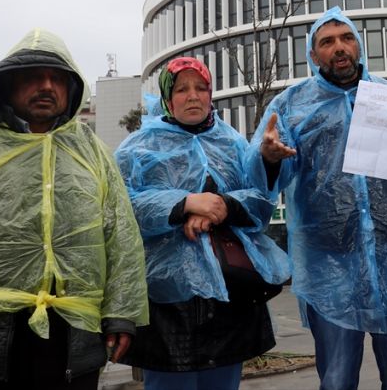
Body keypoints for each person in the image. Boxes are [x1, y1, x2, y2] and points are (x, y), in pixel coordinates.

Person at [0, 29, 148, 389]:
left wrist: (122, 312)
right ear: (9, 83)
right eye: (33, 76)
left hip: (71, 336)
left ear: (70, 88)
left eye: (57, 78)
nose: (47, 86)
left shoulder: (92, 153)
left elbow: (121, 237)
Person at [248, 6, 387, 390]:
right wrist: (268, 157)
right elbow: (260, 177)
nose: (339, 47)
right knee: (337, 379)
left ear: (358, 46)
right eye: (327, 42)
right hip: (329, 267)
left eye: (346, 38)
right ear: (313, 55)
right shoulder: (291, 106)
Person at [115, 57, 290, 390]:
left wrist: (223, 205)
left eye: (201, 88)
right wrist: (185, 203)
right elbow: (119, 207)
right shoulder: (137, 147)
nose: (193, 96)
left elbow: (261, 201)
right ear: (168, 99)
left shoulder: (233, 143)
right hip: (166, 306)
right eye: (182, 89)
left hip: (228, 298)